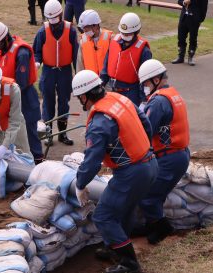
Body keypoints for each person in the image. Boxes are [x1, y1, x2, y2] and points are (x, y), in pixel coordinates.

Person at [72, 70, 158, 273]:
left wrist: (80, 183)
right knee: (125, 208)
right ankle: (116, 248)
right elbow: (146, 123)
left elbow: (92, 161)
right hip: (150, 164)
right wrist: (142, 147)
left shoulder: (99, 122)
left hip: (132, 173)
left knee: (103, 216)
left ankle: (129, 264)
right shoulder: (119, 99)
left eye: (79, 99)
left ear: (84, 96)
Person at [137, 59, 190, 244]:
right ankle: (152, 225)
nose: (144, 87)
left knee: (148, 195)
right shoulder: (172, 94)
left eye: (146, 83)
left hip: (170, 157)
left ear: (156, 80)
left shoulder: (158, 102)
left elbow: (145, 131)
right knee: (154, 193)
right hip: (177, 154)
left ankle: (163, 228)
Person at [0, 21, 44, 164]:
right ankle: (19, 159)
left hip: (25, 97)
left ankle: (37, 160)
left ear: (6, 38)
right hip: (9, 97)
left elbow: (21, 83)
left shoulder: (21, 53)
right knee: (11, 131)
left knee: (29, 131)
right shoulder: (1, 52)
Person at [33, 0, 78, 146]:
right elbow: (37, 51)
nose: (53, 23)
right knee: (48, 102)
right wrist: (37, 62)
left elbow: (76, 54)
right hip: (48, 71)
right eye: (50, 19)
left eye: (55, 19)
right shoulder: (42, 31)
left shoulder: (70, 30)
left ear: (61, 14)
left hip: (64, 71)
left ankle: (63, 134)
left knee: (64, 102)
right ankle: (48, 133)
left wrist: (78, 72)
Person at [100, 12, 152, 106]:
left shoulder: (144, 51)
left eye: (128, 34)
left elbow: (146, 80)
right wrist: (99, 85)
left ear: (136, 32)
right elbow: (106, 67)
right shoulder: (114, 42)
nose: (124, 36)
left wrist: (144, 101)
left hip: (131, 94)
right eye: (123, 33)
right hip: (113, 91)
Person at [171, 0, 208, 66]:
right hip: (184, 17)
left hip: (194, 19)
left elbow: (204, 8)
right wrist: (184, 2)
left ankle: (190, 57)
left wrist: (199, 20)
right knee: (180, 37)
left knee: (193, 39)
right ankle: (180, 57)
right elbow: (179, 1)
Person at [76, 9, 113, 74]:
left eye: (87, 27)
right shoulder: (83, 42)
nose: (84, 30)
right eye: (83, 27)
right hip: (90, 80)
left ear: (95, 25)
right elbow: (80, 65)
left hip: (106, 81)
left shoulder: (110, 39)